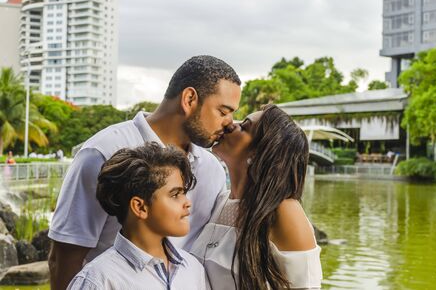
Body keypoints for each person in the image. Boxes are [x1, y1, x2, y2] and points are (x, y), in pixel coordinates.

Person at [48, 55, 241, 289]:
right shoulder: (103, 151)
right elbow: (65, 256)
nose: (230, 124)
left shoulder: (213, 170)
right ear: (189, 99)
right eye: (223, 111)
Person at [190, 104, 322, 289]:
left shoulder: (284, 211)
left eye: (244, 126)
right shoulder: (220, 201)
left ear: (260, 151)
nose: (229, 124)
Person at [68, 143, 206, 290]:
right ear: (140, 207)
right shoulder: (99, 281)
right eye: (175, 194)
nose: (187, 202)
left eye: (184, 193)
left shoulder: (192, 268)